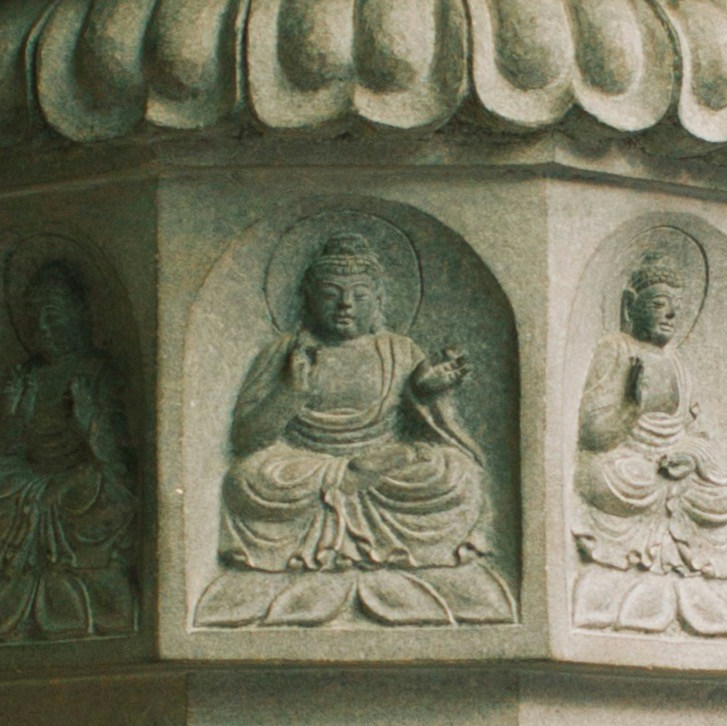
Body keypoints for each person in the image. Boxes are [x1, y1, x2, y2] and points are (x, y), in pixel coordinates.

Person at [208, 227, 510, 624]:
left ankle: (354, 512)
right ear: (309, 299)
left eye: (359, 295)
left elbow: (430, 428)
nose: (346, 304)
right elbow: (247, 438)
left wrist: (428, 394)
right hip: (307, 466)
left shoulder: (398, 351)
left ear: (379, 300)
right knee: (245, 479)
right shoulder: (286, 351)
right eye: (331, 293)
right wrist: (290, 393)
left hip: (384, 465)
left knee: (458, 475)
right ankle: (352, 496)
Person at [573, 244, 727, 635]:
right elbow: (591, 434)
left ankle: (687, 571)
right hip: (629, 463)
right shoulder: (616, 349)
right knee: (621, 477)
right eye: (660, 303)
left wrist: (692, 458)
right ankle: (640, 571)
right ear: (630, 305)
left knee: (723, 494)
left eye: (678, 306)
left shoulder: (677, 362)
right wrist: (629, 405)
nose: (672, 315)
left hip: (674, 464)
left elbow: (694, 430)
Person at [0, 256, 136, 640]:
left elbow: (116, 454)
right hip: (31, 475)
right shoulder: (29, 375)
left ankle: (73, 569)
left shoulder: (97, 369)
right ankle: (14, 570)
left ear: (79, 314)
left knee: (98, 489)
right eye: (35, 321)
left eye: (52, 316)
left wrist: (88, 422)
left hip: (79, 474)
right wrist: (15, 411)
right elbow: (1, 451)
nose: (43, 329)